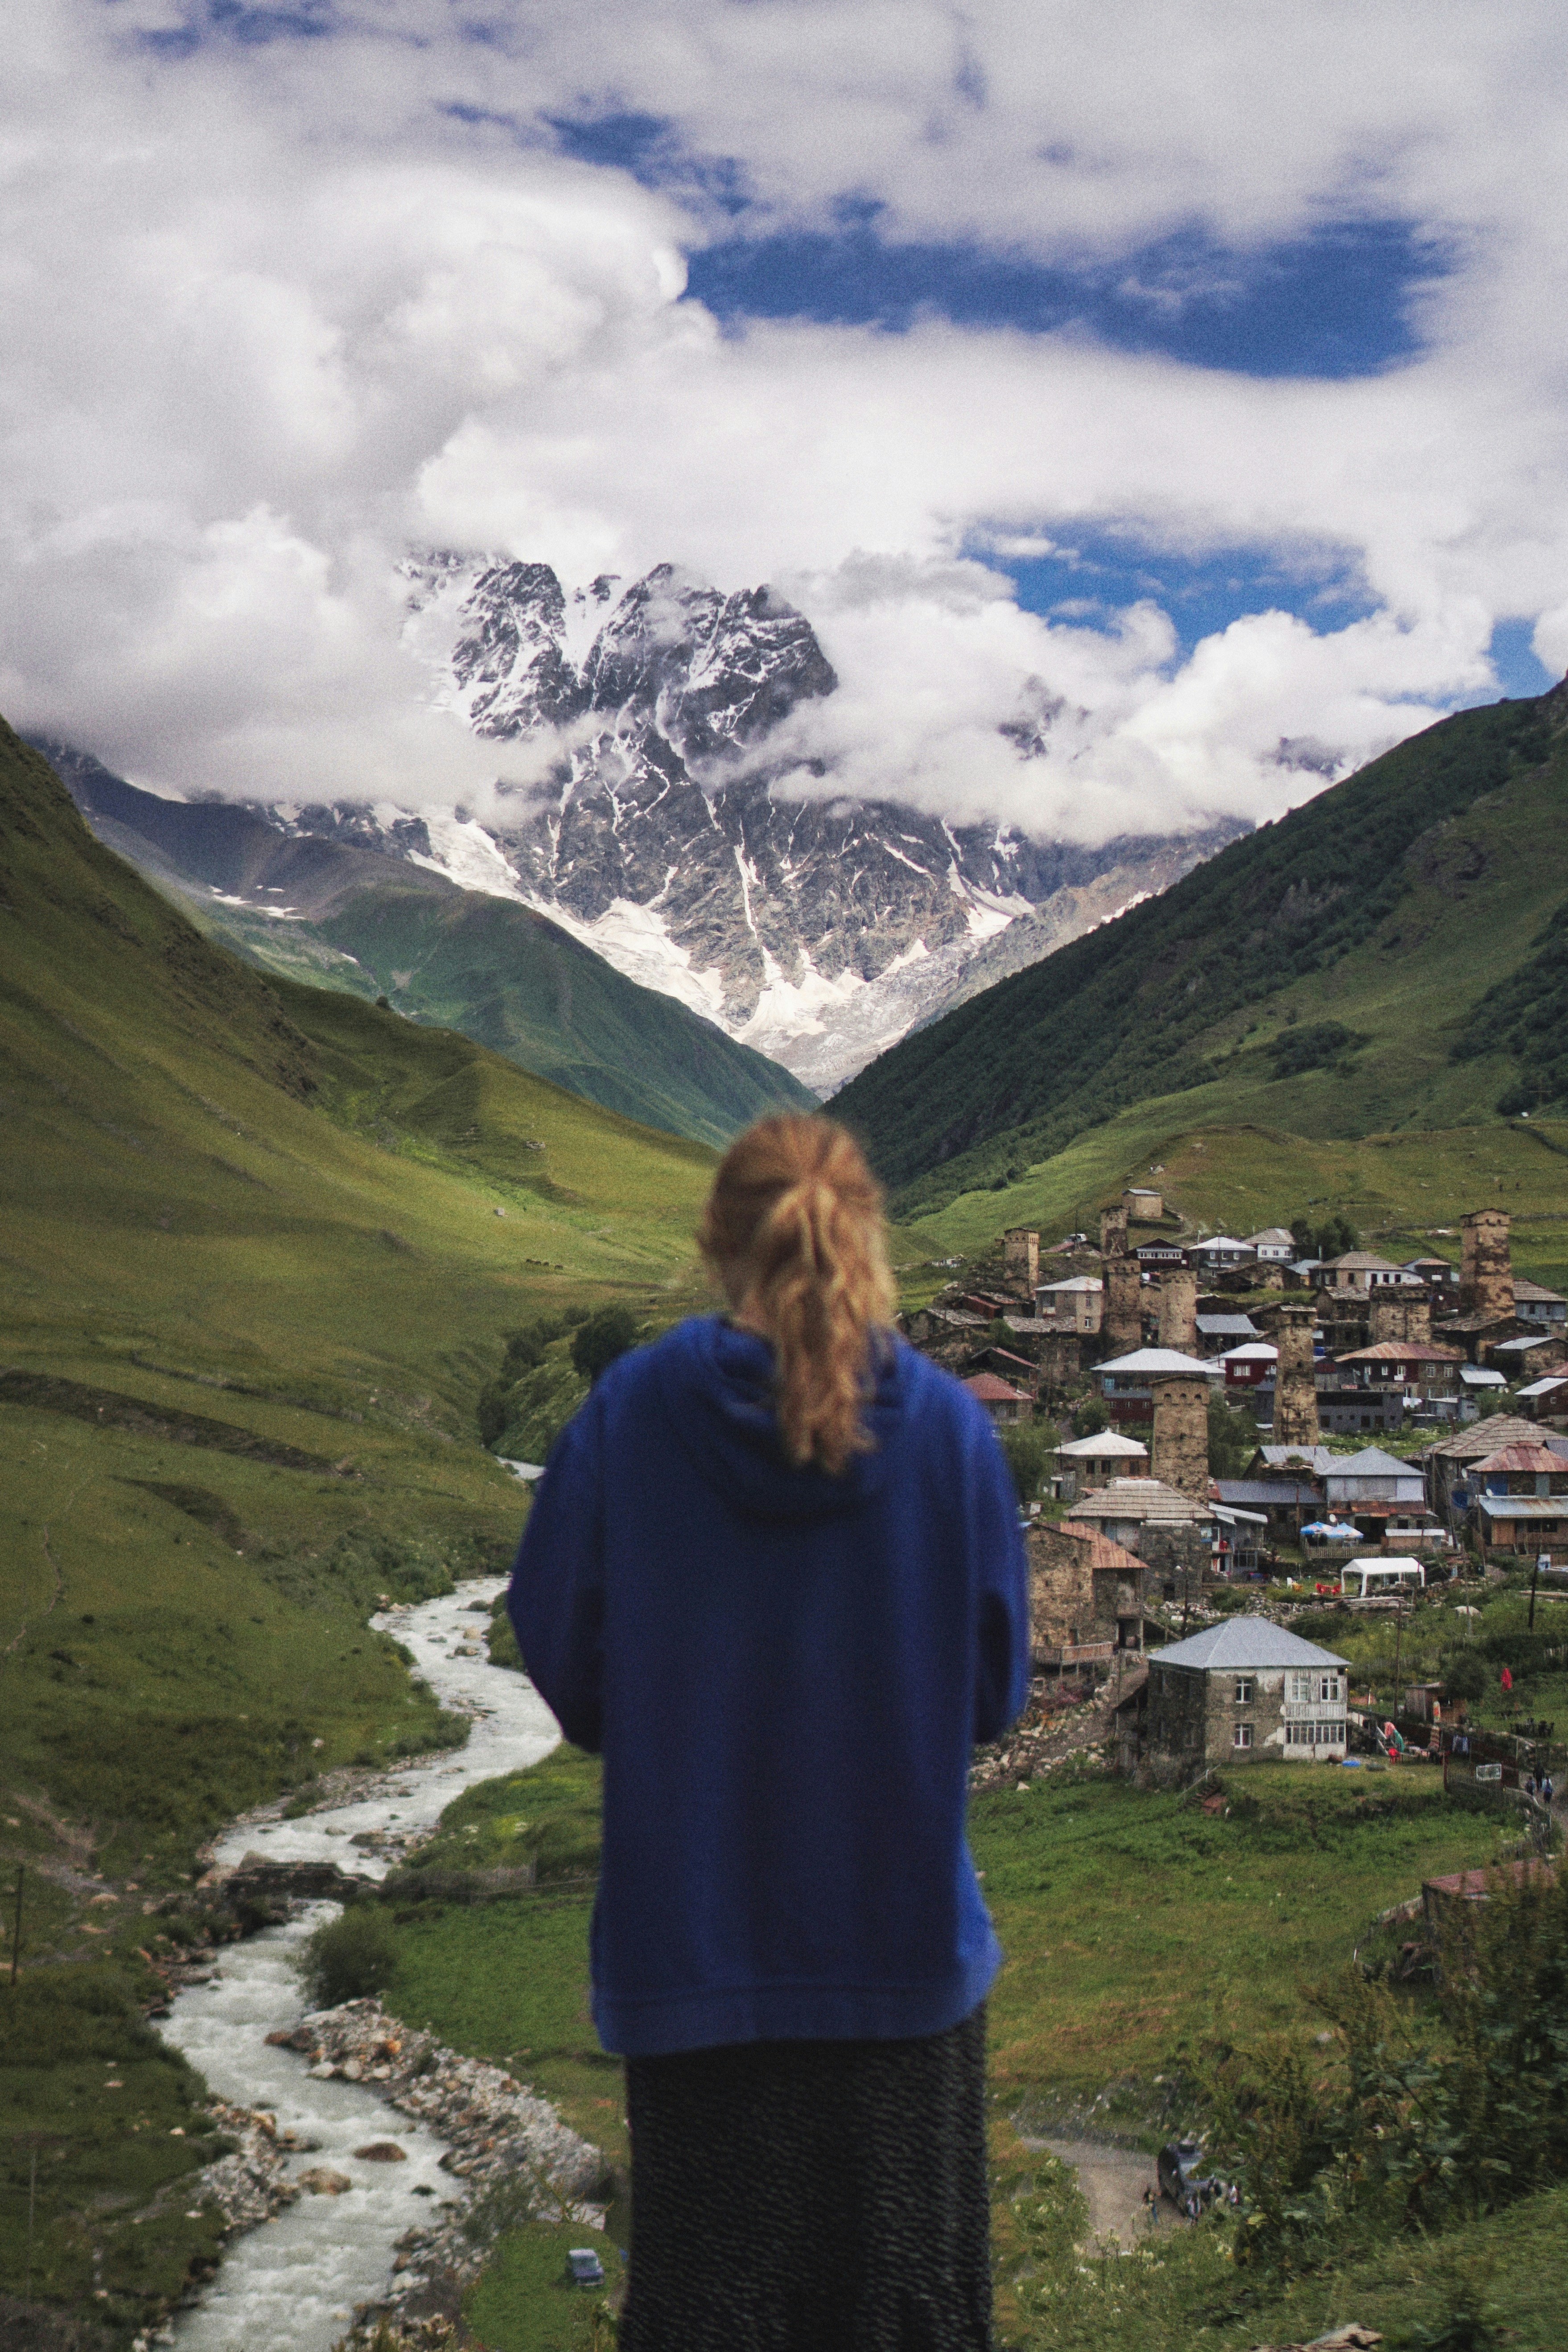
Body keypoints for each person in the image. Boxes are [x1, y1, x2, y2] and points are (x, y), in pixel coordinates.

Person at [509, 1114, 1029, 2351]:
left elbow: (564, 1659)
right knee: (910, 2317)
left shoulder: (630, 1417)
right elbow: (996, 1694)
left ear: (715, 1244)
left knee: (715, 2315)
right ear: (866, 1241)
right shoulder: (952, 1433)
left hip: (698, 1981)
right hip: (907, 1975)